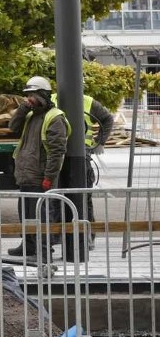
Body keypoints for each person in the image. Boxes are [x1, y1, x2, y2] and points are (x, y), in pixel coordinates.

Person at [7, 76, 71, 261]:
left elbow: (57, 151)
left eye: (32, 95)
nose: (29, 99)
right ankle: (28, 246)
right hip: (26, 175)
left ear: (43, 95)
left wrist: (49, 177)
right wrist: (23, 107)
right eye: (27, 95)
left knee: (42, 216)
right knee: (26, 214)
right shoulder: (30, 115)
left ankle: (44, 252)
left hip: (39, 177)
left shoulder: (54, 118)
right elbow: (13, 126)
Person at [51, 91, 114, 247]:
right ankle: (60, 234)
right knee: (57, 198)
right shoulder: (51, 99)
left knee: (83, 197)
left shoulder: (87, 101)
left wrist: (100, 142)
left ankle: (87, 235)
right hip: (59, 154)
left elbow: (107, 119)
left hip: (80, 155)